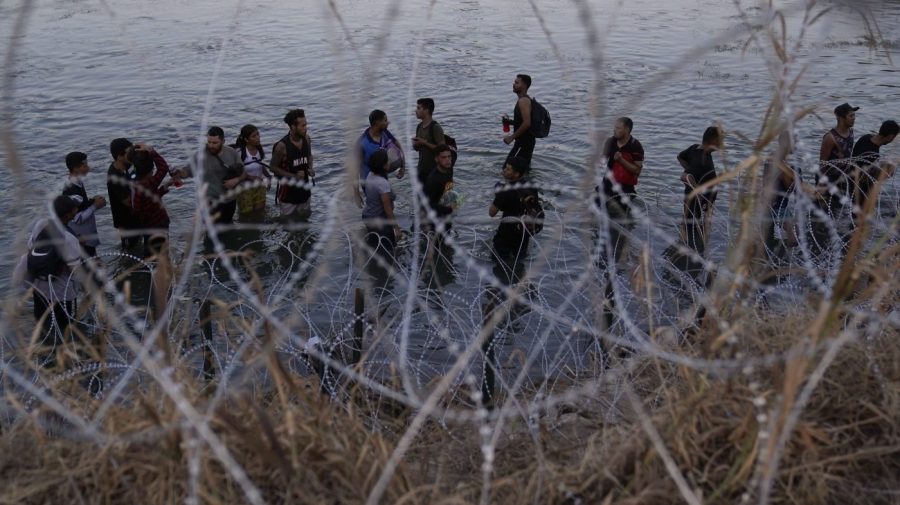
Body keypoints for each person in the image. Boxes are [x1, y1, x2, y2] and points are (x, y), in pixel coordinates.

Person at [13, 195, 83, 368]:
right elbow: (76, 270)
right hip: (61, 291)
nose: (76, 210)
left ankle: (44, 359)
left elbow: (32, 248)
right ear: (68, 215)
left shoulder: (41, 225)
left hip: (39, 287)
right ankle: (64, 362)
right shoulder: (69, 238)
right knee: (64, 326)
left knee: (42, 323)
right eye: (74, 209)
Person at [177, 126, 247, 225]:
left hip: (229, 201)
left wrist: (236, 180)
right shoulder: (200, 156)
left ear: (223, 141)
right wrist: (179, 173)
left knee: (227, 227)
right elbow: (188, 172)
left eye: (215, 143)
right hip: (209, 201)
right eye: (209, 142)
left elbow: (244, 173)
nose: (211, 146)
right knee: (211, 231)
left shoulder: (232, 153)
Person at [677, 126, 722, 258]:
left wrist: (689, 169)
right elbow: (685, 177)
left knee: (686, 227)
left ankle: (683, 254)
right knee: (695, 237)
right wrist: (698, 191)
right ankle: (690, 259)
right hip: (698, 205)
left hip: (693, 202)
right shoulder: (703, 161)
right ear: (713, 141)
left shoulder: (694, 148)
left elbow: (680, 157)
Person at [489, 156, 534, 276]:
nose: (504, 170)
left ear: (516, 173)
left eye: (508, 169)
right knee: (519, 262)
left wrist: (498, 194)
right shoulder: (531, 186)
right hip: (523, 233)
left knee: (497, 263)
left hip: (506, 234)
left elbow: (492, 213)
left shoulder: (505, 190)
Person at [130, 147, 177, 257]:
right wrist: (152, 151)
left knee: (151, 253)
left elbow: (137, 209)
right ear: (151, 170)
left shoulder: (136, 186)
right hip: (160, 222)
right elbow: (163, 168)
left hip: (148, 226)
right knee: (162, 253)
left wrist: (163, 189)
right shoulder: (151, 182)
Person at [271, 110, 314, 221]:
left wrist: (310, 168)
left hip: (305, 192)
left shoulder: (307, 139)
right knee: (288, 226)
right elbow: (273, 167)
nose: (306, 128)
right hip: (288, 196)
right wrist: (293, 176)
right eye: (302, 126)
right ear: (292, 127)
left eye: (306, 125)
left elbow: (309, 156)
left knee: (305, 221)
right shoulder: (281, 146)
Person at [63, 151, 106, 257]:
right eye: (84, 166)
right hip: (82, 239)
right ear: (75, 168)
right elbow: (77, 218)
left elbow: (81, 205)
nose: (88, 168)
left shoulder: (77, 183)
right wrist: (95, 206)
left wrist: (92, 200)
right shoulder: (71, 189)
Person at [851, 119, 898, 212]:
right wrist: (887, 172)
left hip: (854, 184)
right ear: (890, 136)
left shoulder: (866, 138)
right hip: (860, 190)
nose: (892, 140)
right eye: (893, 138)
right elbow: (864, 177)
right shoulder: (872, 152)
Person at [362, 150, 400, 255]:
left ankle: (374, 266)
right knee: (389, 249)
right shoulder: (382, 184)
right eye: (387, 162)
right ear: (383, 165)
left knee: (375, 246)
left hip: (368, 216)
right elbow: (387, 209)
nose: (389, 163)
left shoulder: (370, 175)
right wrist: (396, 228)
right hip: (379, 221)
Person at [107, 138, 141, 249]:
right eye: (129, 153)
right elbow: (128, 202)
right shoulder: (115, 177)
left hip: (133, 219)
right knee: (131, 249)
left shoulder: (124, 166)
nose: (132, 155)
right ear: (119, 156)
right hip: (125, 222)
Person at [233, 124, 271, 216]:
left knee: (259, 213)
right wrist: (251, 177)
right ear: (246, 139)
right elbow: (237, 172)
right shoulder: (240, 153)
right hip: (244, 189)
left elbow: (260, 165)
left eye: (258, 134)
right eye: (254, 136)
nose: (258, 138)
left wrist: (268, 177)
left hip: (259, 187)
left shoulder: (259, 150)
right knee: (246, 215)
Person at [818, 102, 858, 188]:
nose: (854, 118)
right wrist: (822, 184)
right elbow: (822, 162)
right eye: (851, 116)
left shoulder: (851, 132)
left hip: (845, 177)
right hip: (831, 179)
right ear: (840, 118)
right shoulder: (830, 137)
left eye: (854, 115)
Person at [503, 74, 536, 168]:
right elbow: (525, 121)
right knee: (522, 170)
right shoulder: (526, 99)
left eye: (517, 83)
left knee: (508, 168)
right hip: (527, 142)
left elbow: (527, 123)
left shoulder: (523, 101)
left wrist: (511, 137)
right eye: (514, 82)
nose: (514, 84)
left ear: (524, 85)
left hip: (523, 143)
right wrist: (510, 122)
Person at [412, 98, 445, 188]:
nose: (416, 111)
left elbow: (443, 150)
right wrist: (416, 144)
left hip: (434, 171)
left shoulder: (435, 127)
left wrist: (424, 143)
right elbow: (417, 149)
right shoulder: (419, 126)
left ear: (426, 110)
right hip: (421, 170)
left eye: (419, 108)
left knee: (433, 200)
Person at [424, 144, 456, 232]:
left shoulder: (449, 169)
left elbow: (449, 187)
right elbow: (428, 205)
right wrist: (449, 208)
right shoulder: (433, 180)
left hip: (447, 215)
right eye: (444, 157)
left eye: (449, 157)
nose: (448, 160)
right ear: (436, 159)